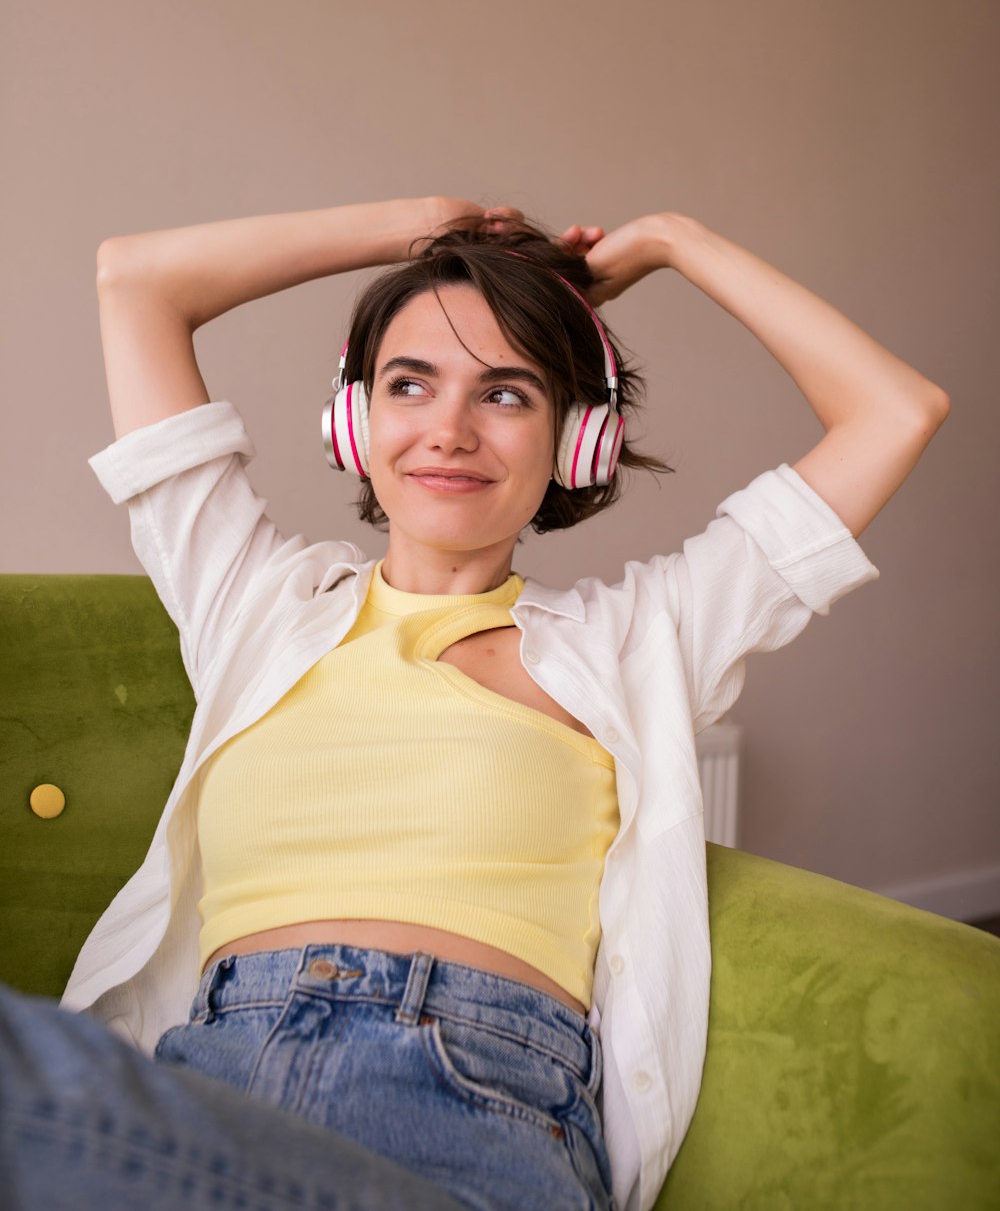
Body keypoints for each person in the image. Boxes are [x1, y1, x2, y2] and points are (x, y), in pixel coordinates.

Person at [6, 196, 949, 1211]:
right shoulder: (254, 603)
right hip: (208, 1095)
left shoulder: (637, 642)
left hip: (472, 1111)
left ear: (577, 441)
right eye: (409, 384)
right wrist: (420, 229)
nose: (448, 431)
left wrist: (674, 242)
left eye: (505, 395)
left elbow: (894, 410)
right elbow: (137, 281)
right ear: (354, 418)